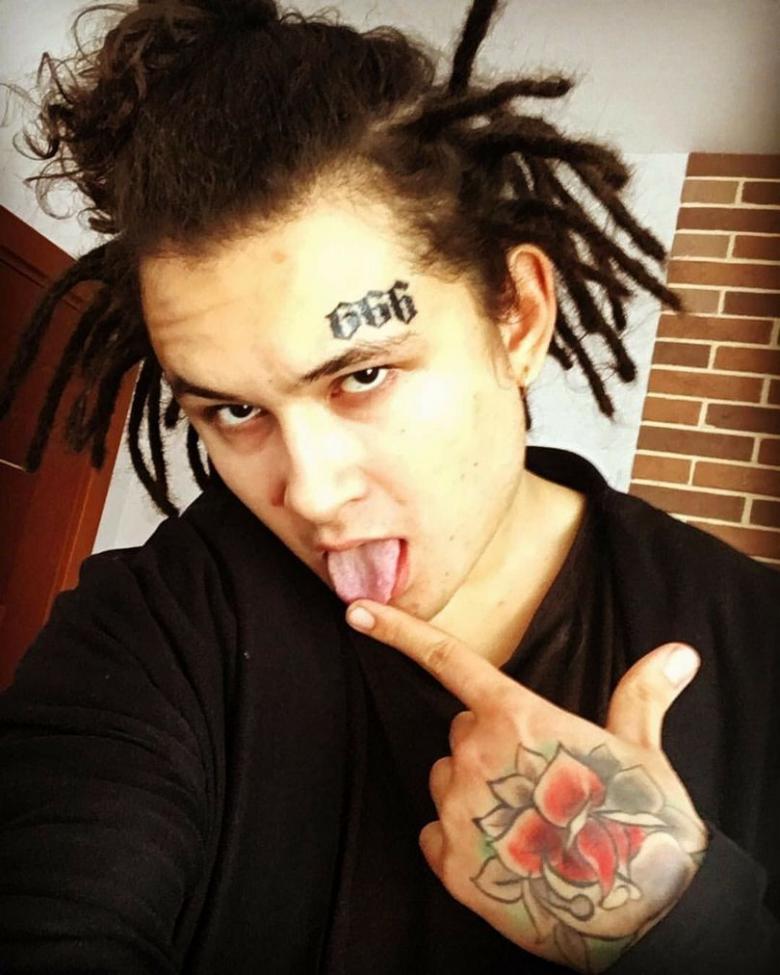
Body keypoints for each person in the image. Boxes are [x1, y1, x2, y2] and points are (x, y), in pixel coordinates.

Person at [0, 1, 777, 972]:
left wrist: (681, 927)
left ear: (517, 316)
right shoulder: (152, 631)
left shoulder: (756, 648)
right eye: (234, 411)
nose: (312, 493)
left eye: (362, 375)